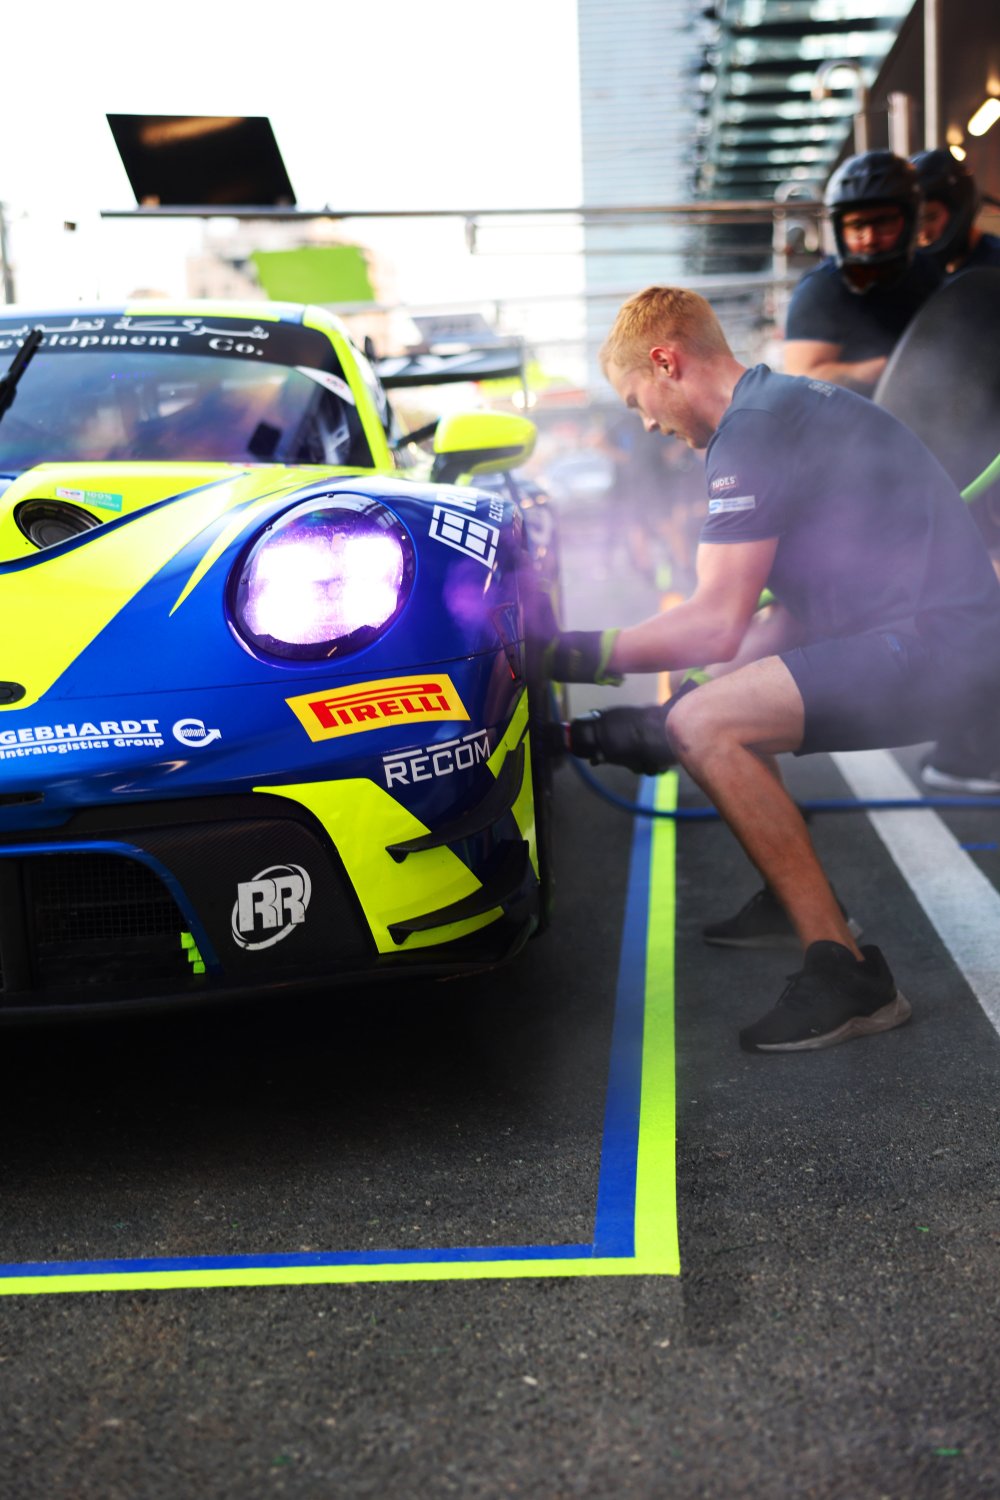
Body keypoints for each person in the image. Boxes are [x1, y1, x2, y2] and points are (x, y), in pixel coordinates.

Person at [540, 285, 1000, 1053]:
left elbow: (715, 622)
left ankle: (850, 978)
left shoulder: (751, 429)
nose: (645, 422)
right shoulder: (776, 407)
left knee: (707, 725)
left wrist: (570, 651)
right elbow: (786, 615)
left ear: (666, 362)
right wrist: (682, 703)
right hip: (932, 637)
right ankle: (794, 903)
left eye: (636, 400)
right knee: (708, 710)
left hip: (940, 647)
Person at [783, 150, 942, 395]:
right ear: (840, 228)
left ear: (909, 219)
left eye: (884, 222)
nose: (870, 238)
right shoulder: (821, 289)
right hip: (851, 416)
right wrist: (895, 368)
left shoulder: (930, 273)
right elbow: (801, 379)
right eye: (856, 226)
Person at [910, 148, 1000, 274]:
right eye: (915, 222)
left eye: (931, 217)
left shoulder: (995, 263)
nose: (923, 233)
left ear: (958, 211)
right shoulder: (919, 270)